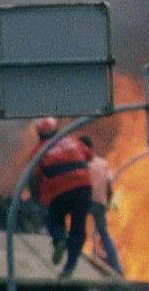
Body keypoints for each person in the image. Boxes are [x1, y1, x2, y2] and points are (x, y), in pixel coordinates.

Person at [30, 117, 93, 278]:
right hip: (83, 187)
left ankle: (59, 239)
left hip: (58, 191)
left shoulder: (38, 151)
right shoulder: (72, 141)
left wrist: (36, 196)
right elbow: (89, 156)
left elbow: (34, 178)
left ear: (39, 133)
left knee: (54, 220)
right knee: (78, 229)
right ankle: (69, 268)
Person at [78, 135, 122, 273]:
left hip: (84, 201)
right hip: (100, 202)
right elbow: (109, 185)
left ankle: (77, 262)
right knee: (103, 233)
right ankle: (117, 268)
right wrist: (107, 201)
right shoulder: (103, 164)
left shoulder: (80, 164)